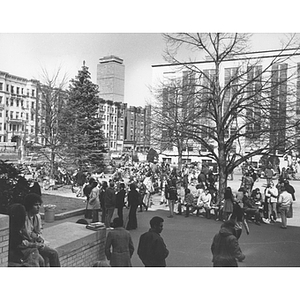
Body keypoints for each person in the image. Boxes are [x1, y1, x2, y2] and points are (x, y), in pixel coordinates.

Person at [23, 193, 60, 266]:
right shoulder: (25, 218)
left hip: (37, 243)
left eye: (39, 204)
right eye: (36, 205)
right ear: (29, 205)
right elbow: (27, 234)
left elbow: (38, 231)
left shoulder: (37, 217)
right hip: (29, 246)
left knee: (54, 253)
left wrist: (38, 237)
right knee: (41, 260)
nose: (38, 207)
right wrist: (35, 237)